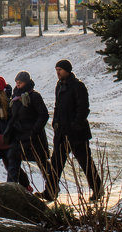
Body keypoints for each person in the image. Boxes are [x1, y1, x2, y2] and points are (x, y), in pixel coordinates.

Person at [44, 58, 103, 201]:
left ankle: (97, 189)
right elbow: (57, 106)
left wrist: (75, 125)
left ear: (67, 70)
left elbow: (83, 109)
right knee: (56, 164)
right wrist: (55, 122)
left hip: (77, 134)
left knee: (85, 162)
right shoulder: (59, 86)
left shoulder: (78, 86)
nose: (58, 73)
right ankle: (50, 192)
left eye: (60, 70)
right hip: (61, 133)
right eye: (57, 70)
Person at [5, 71, 51, 190]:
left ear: (26, 82)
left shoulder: (34, 96)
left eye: (20, 82)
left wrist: (34, 130)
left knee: (42, 163)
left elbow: (43, 114)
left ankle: (52, 189)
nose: (18, 84)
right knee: (13, 161)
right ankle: (11, 190)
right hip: (18, 136)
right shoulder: (15, 97)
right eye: (17, 82)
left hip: (34, 138)